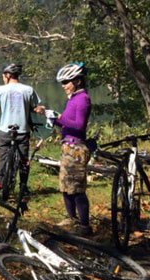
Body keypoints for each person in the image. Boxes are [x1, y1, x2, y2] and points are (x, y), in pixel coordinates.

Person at [0, 63, 44, 197]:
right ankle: (23, 187)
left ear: (8, 75)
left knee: (2, 157)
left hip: (5, 130)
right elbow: (35, 107)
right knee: (24, 159)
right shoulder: (28, 89)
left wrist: (2, 110)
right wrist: (39, 110)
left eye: (3, 76)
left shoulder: (1, 89)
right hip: (23, 130)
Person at [52, 63, 93, 236]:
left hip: (76, 148)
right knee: (65, 185)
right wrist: (53, 119)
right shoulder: (73, 98)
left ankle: (84, 225)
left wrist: (59, 118)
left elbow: (79, 125)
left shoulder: (82, 99)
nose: (64, 86)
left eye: (67, 82)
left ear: (77, 81)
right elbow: (66, 121)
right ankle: (71, 218)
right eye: (62, 82)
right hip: (67, 147)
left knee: (76, 188)